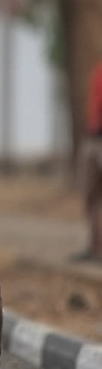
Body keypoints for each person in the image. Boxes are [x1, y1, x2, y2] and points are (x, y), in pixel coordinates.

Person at [80, 60, 102, 260]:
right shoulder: (98, 70)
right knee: (92, 196)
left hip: (97, 140)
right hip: (93, 137)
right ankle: (96, 248)